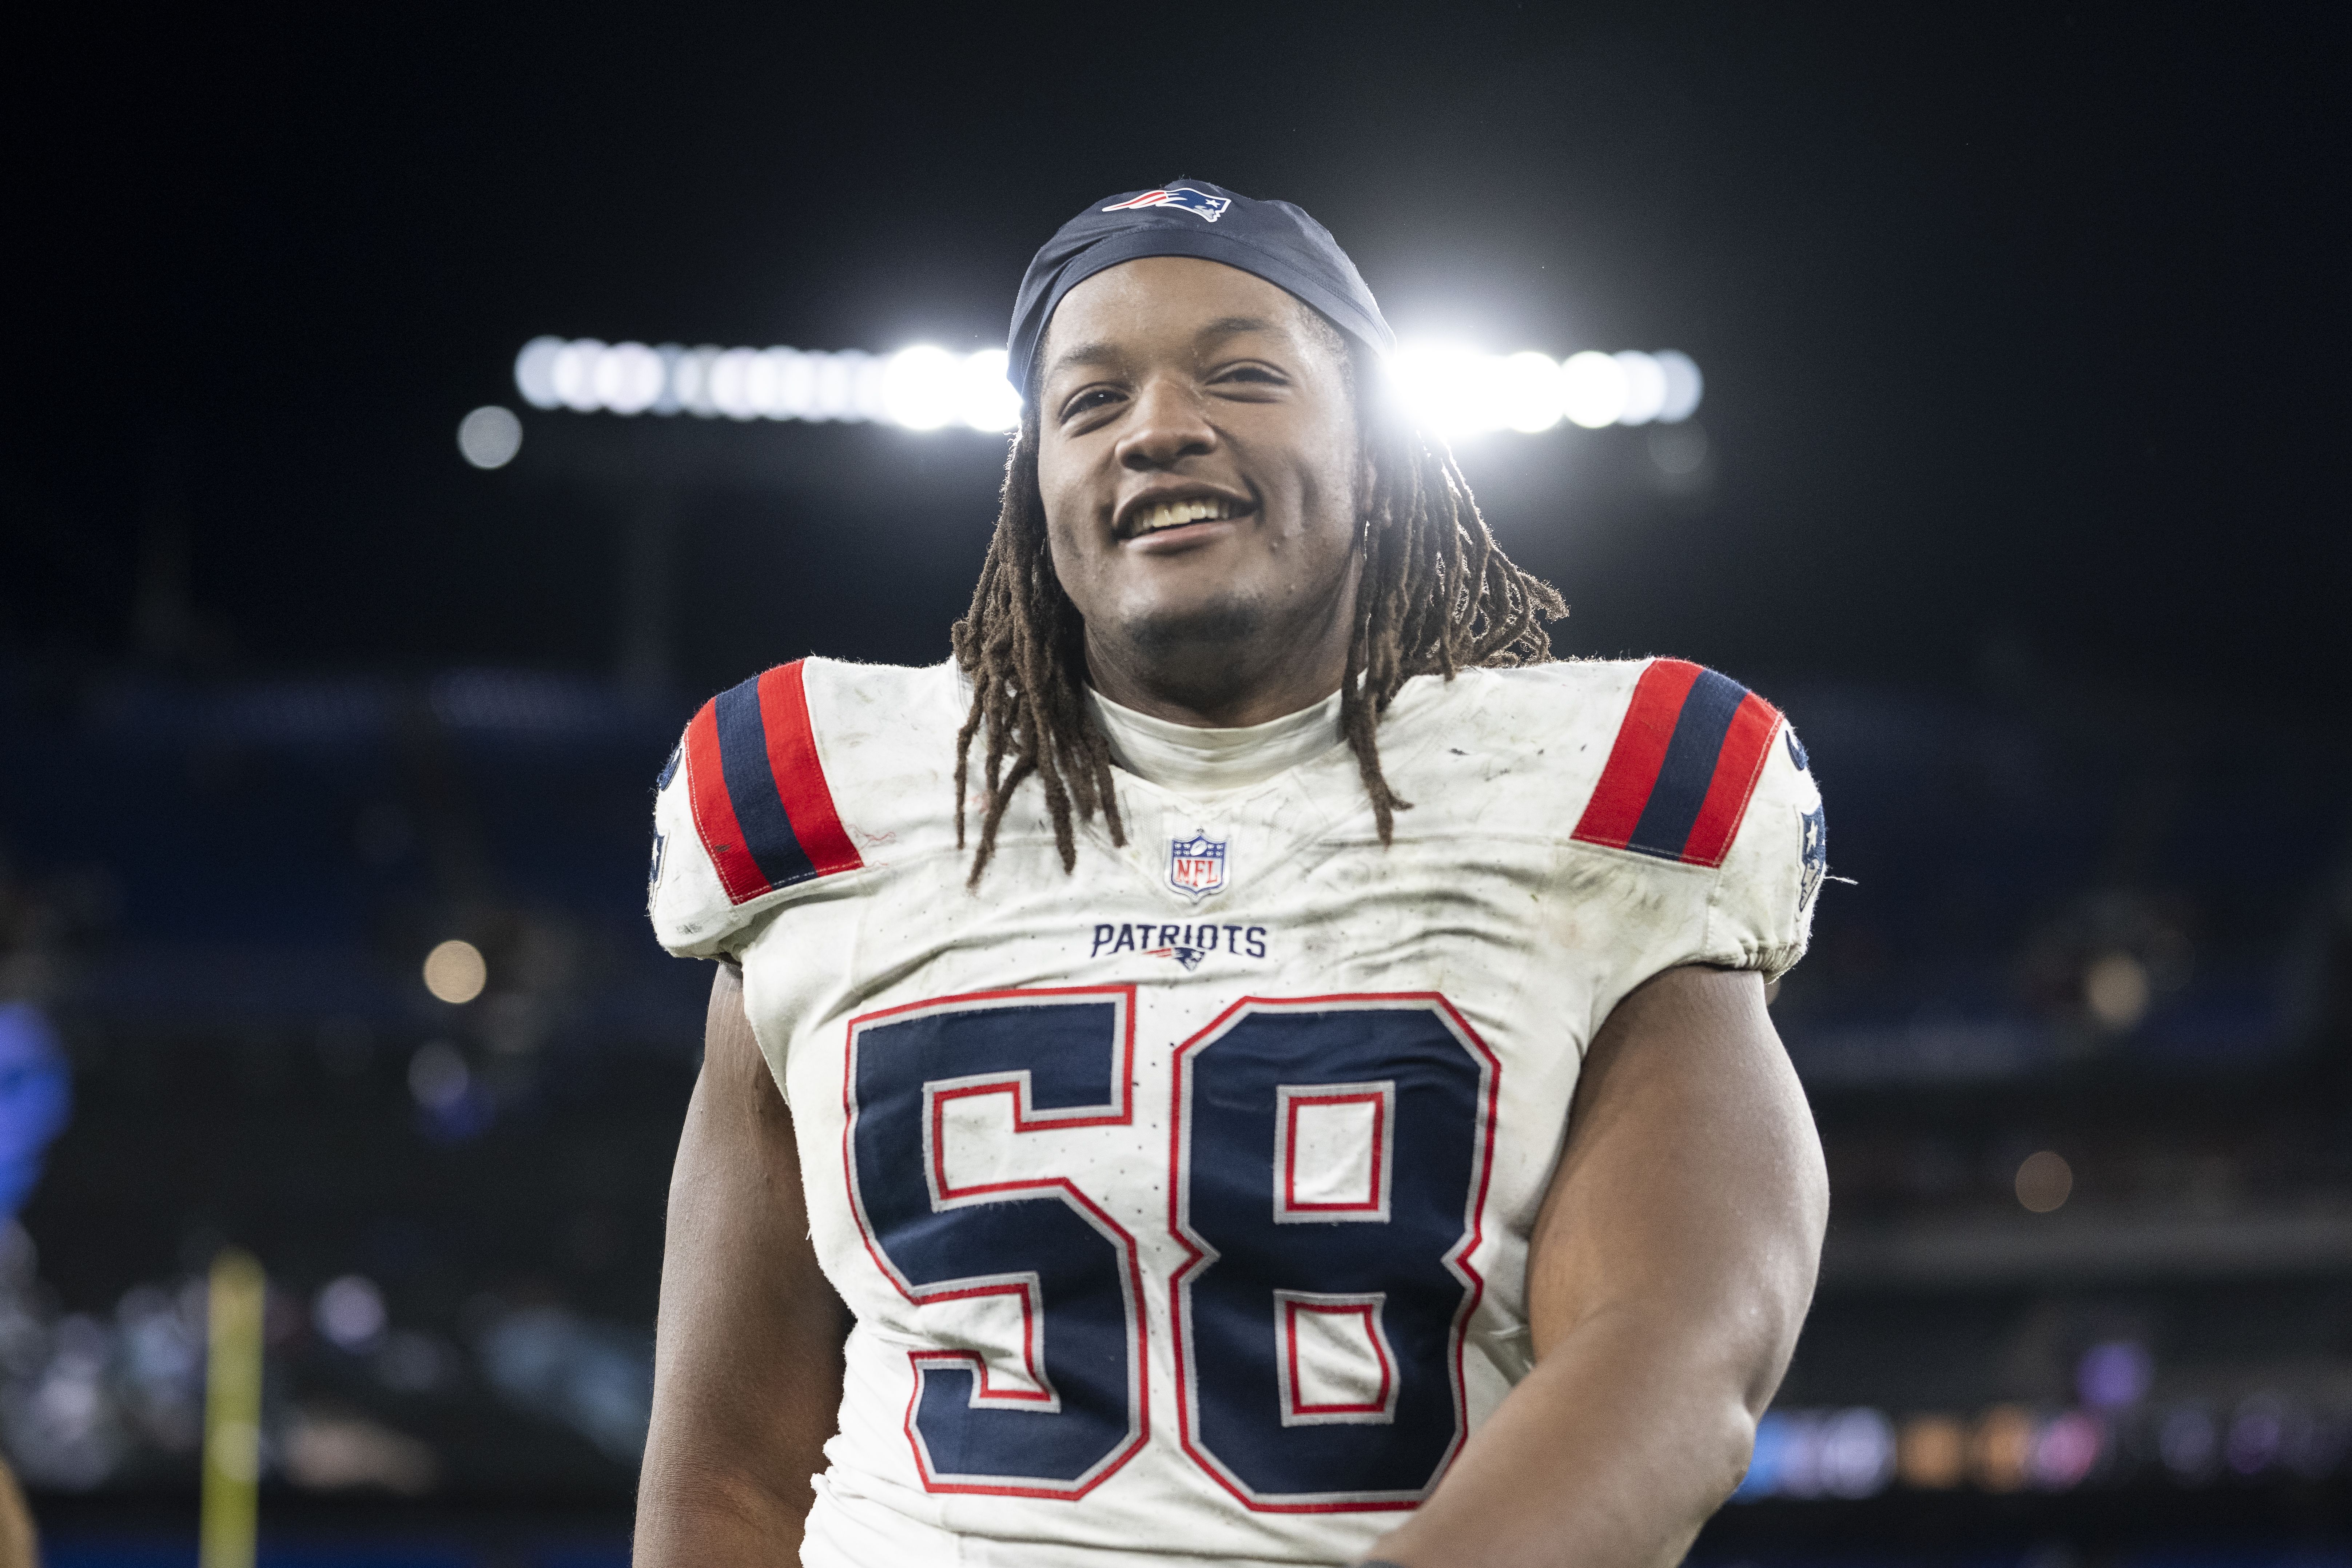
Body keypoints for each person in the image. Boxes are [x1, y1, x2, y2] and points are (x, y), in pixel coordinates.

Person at [636, 179, 1829, 1568]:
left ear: (1381, 451)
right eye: (1088, 403)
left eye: (1244, 374)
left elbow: (1678, 1364)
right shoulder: (822, 800)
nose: (1157, 429)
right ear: (1033, 493)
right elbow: (726, 1469)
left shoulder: (1604, 790)